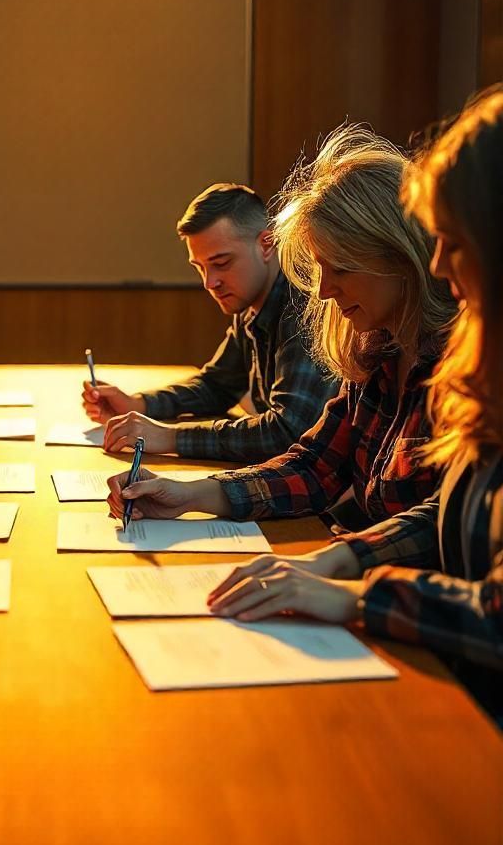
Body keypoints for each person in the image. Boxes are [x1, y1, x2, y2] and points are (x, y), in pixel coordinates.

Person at [107, 124, 457, 547]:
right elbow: (314, 467)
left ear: (400, 255)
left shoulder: (460, 364)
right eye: (320, 268)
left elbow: (444, 528)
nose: (323, 289)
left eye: (340, 268)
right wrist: (187, 494)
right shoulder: (375, 347)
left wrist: (343, 559)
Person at [82, 184, 338, 462]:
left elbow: (286, 431)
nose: (209, 283)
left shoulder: (302, 307)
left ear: (266, 245)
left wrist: (170, 437)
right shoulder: (251, 301)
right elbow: (217, 386)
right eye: (200, 267)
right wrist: (138, 404)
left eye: (222, 263)